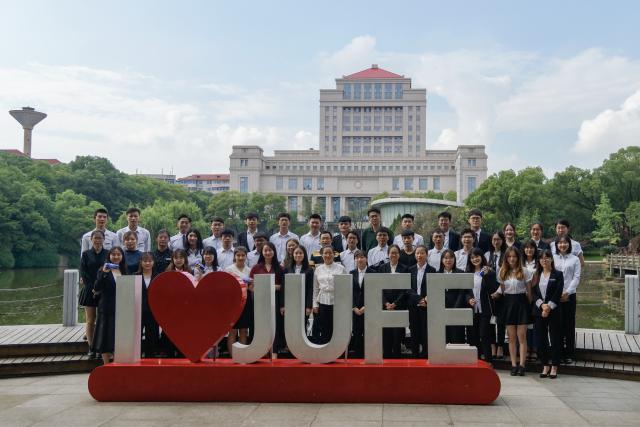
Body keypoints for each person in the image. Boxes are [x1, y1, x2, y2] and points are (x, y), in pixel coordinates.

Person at [491, 247, 533, 376]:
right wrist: (495, 294)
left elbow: (529, 293)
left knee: (522, 337)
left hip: (522, 304)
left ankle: (522, 365)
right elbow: (502, 290)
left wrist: (529, 309)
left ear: (518, 257)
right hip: (508, 304)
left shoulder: (525, 271)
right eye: (509, 256)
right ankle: (513, 364)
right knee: (511, 338)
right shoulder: (502, 272)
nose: (512, 259)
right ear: (506, 258)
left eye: (514, 256)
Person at [531, 249, 564, 379]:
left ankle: (554, 365)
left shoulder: (558, 274)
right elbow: (533, 293)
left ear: (551, 259)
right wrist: (542, 305)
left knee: (555, 338)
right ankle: (545, 365)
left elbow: (558, 292)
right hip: (539, 311)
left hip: (554, 310)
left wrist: (548, 307)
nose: (544, 260)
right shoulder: (536, 275)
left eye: (547, 257)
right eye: (541, 258)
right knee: (541, 338)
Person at [93, 246, 128, 364]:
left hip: (122, 308)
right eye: (113, 254)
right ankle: (106, 363)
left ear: (122, 256)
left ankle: (117, 363)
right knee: (105, 336)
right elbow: (97, 287)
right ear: (109, 256)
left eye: (119, 254)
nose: (116, 257)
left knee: (118, 337)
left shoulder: (124, 270)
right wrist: (104, 273)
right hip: (107, 307)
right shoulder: (103, 270)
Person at [250, 242, 285, 353]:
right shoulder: (256, 268)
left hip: (275, 301)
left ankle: (274, 352)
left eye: (270, 250)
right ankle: (260, 352)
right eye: (265, 250)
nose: (268, 252)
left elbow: (283, 287)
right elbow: (251, 286)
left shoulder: (280, 268)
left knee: (274, 326)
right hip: (260, 301)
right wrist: (260, 288)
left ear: (274, 252)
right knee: (261, 326)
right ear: (262, 252)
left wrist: (270, 286)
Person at [465, 248, 498, 363]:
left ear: (482, 257)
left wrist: (487, 275)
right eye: (472, 257)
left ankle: (488, 361)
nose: (475, 259)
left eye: (477, 256)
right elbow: (465, 292)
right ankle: (476, 360)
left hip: (485, 309)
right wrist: (469, 300)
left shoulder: (489, 272)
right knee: (473, 335)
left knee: (484, 335)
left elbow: (493, 289)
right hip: (472, 309)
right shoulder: (467, 273)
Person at [79, 230, 108, 359]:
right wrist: (93, 288)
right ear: (91, 239)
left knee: (103, 320)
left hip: (104, 291)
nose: (97, 240)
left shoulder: (108, 254)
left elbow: (109, 272)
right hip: (90, 290)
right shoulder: (86, 254)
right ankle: (91, 347)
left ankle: (102, 347)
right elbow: (83, 272)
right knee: (90, 320)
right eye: (95, 238)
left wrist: (100, 287)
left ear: (103, 239)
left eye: (100, 238)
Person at [553, 235, 581, 364]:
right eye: (560, 243)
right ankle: (558, 353)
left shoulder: (575, 259)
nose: (562, 245)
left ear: (569, 244)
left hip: (570, 296)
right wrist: (558, 293)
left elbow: (576, 277)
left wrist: (567, 292)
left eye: (565, 243)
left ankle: (569, 353)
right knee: (556, 325)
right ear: (556, 245)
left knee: (569, 324)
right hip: (555, 296)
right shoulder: (553, 258)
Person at [313, 246, 348, 344]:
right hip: (323, 301)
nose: (328, 255)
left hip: (337, 302)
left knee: (337, 327)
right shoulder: (318, 269)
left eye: (330, 253)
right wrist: (314, 304)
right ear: (322, 255)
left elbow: (346, 287)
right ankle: (325, 349)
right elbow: (315, 288)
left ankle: (337, 349)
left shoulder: (341, 268)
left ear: (334, 254)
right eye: (325, 253)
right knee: (324, 327)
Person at [378, 245, 408, 359]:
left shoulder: (404, 268)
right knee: (386, 335)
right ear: (388, 254)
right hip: (385, 307)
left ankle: (397, 360)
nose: (393, 255)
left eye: (396, 253)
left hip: (398, 307)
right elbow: (379, 288)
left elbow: (405, 289)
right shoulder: (382, 268)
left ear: (399, 255)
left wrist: (395, 303)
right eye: (391, 253)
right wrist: (386, 303)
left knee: (397, 336)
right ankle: (386, 359)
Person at [407, 245, 435, 357]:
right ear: (415, 255)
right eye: (417, 253)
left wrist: (426, 300)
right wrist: (419, 299)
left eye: (422, 253)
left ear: (426, 255)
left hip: (426, 306)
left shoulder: (432, 270)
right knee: (414, 331)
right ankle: (414, 356)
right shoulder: (410, 270)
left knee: (425, 331)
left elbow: (433, 287)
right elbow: (408, 288)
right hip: (413, 305)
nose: (419, 255)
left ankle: (425, 355)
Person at [225, 246, 252, 356]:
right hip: (234, 302)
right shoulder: (229, 269)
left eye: (243, 255)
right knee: (233, 330)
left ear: (246, 256)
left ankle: (242, 356)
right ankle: (233, 356)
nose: (240, 257)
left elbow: (251, 287)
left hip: (246, 302)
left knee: (244, 330)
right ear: (234, 256)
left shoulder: (249, 270)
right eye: (238, 255)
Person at [284, 246, 315, 339]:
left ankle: (302, 344)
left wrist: (309, 306)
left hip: (303, 303)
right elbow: (284, 288)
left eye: (300, 253)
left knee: (302, 325)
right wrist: (283, 305)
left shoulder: (309, 270)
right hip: (290, 303)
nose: (298, 255)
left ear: (304, 255)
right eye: (296, 253)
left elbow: (310, 289)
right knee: (291, 325)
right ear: (292, 255)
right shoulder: (287, 269)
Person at [486, 231, 507, 360]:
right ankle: (492, 345)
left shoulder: (506, 255)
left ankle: (500, 346)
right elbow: (481, 274)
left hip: (502, 291)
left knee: (500, 320)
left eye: (498, 239)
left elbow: (507, 275)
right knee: (490, 320)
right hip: (489, 292)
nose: (496, 242)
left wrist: (499, 291)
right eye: (494, 239)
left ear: (502, 241)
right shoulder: (487, 255)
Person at [351, 250, 375, 358]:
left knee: (369, 334)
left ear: (366, 259)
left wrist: (367, 306)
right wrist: (354, 307)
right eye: (357, 257)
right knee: (356, 333)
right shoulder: (351, 273)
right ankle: (358, 357)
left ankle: (369, 357)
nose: (359, 259)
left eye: (362, 257)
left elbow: (375, 292)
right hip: (356, 309)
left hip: (369, 308)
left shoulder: (373, 273)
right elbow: (349, 292)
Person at [439, 249, 466, 344]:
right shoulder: (437, 274)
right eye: (445, 258)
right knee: (443, 337)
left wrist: (456, 307)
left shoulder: (460, 273)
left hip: (457, 308)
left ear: (454, 259)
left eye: (451, 257)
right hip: (442, 309)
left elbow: (462, 292)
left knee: (457, 337)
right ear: (442, 260)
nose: (448, 260)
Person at [138, 252, 160, 357]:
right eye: (145, 261)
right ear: (141, 262)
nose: (147, 263)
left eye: (150, 261)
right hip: (138, 310)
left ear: (153, 262)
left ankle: (150, 357)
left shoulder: (158, 276)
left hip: (153, 310)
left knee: (152, 335)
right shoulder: (135, 275)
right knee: (136, 335)